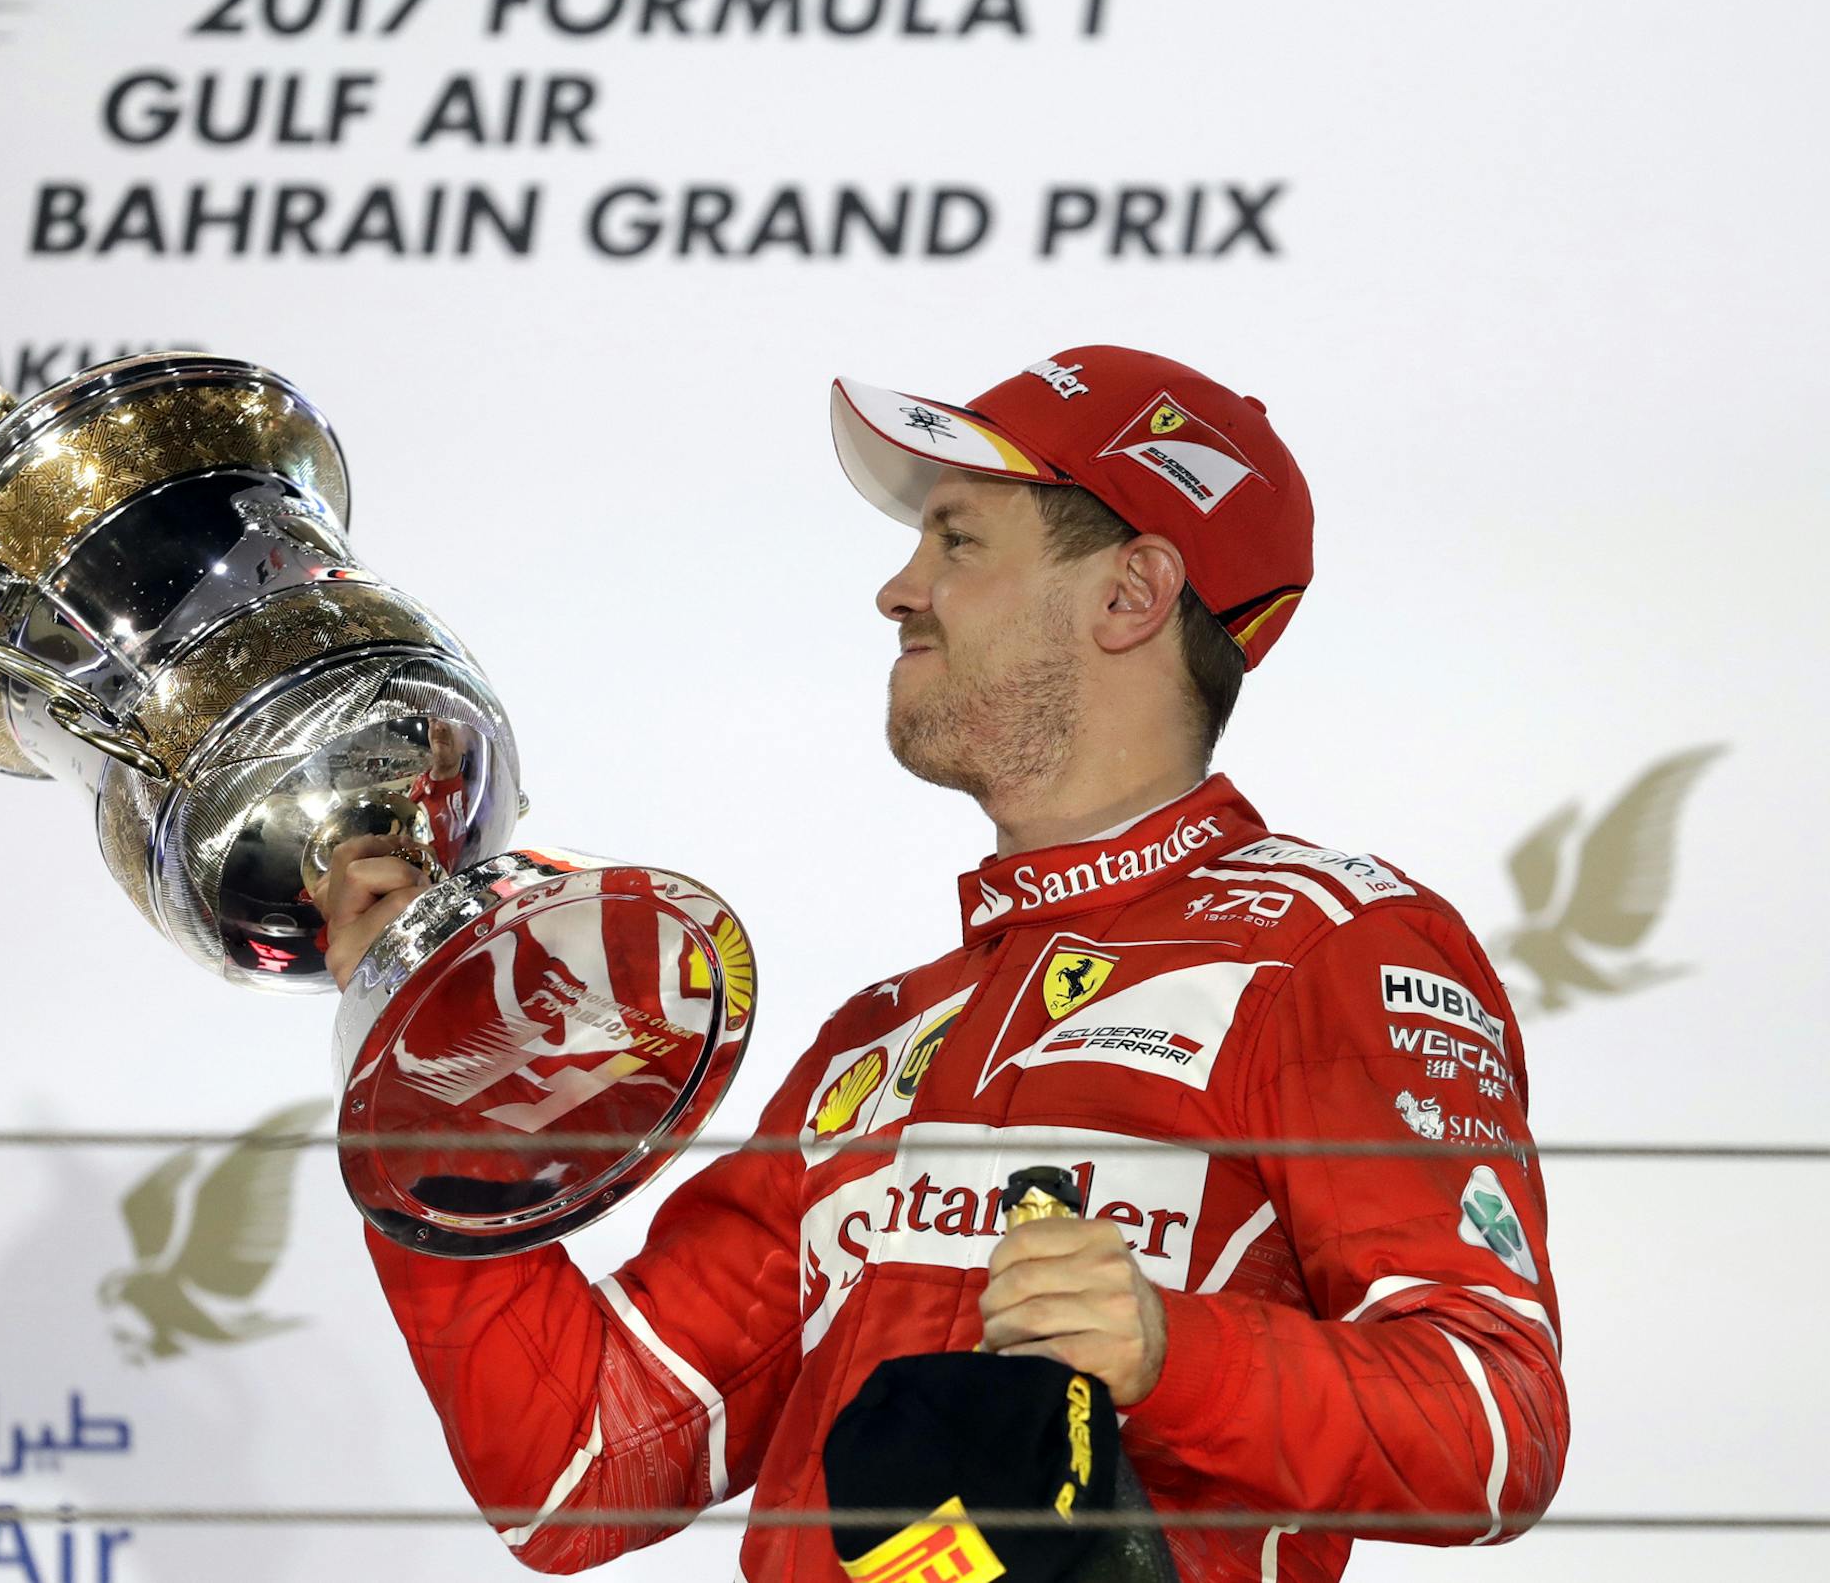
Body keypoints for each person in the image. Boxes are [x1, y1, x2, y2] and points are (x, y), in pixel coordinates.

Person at [317, 345, 1568, 1582]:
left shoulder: (1327, 943)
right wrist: (429, 1060)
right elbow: (572, 1468)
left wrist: (1168, 1354)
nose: (899, 590)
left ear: (1129, 595)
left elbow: (1499, 1428)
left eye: (958, 542)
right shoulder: (881, 1038)